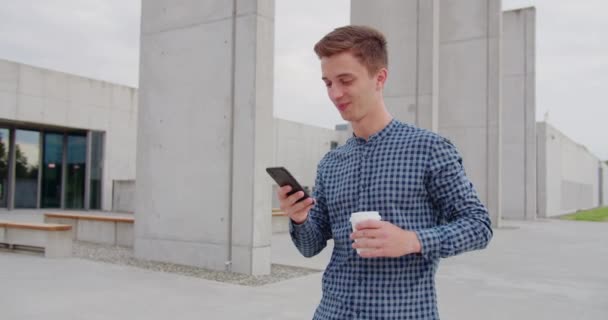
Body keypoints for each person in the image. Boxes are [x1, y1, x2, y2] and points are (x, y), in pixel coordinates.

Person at [277, 25, 493, 320]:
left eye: (345, 80)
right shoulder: (331, 163)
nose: (335, 93)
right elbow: (311, 246)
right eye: (327, 83)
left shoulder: (429, 149)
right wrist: (299, 217)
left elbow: (479, 225)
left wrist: (412, 240)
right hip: (332, 313)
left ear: (379, 78)